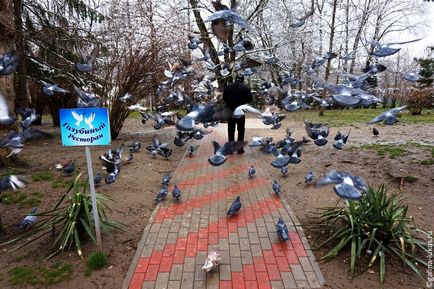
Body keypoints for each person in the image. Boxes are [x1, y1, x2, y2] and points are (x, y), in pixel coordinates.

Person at [223, 75, 253, 154]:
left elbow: (224, 98)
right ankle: (240, 149)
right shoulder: (245, 88)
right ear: (242, 80)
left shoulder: (228, 87)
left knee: (231, 130)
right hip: (240, 111)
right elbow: (250, 98)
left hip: (230, 111)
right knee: (241, 130)